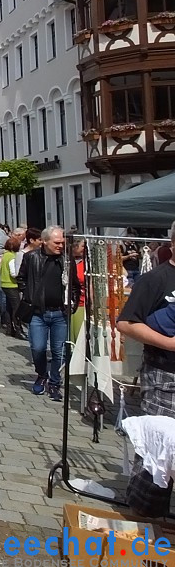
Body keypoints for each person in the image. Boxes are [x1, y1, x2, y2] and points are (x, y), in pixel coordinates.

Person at [117, 221, 175, 516]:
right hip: (165, 375)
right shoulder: (155, 280)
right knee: (156, 447)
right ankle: (143, 517)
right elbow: (126, 323)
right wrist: (168, 343)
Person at [18, 226, 73, 402]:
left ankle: (55, 383)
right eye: (57, 242)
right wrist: (29, 295)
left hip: (60, 313)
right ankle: (42, 374)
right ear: (45, 241)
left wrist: (72, 301)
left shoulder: (66, 259)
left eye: (62, 242)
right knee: (38, 348)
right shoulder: (31, 257)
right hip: (38, 312)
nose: (60, 245)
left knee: (59, 352)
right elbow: (21, 278)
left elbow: (75, 285)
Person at [0, 236, 24, 339]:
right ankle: (18, 329)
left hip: (4, 283)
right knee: (16, 308)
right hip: (12, 284)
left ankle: (10, 329)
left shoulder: (5, 255)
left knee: (9, 308)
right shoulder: (12, 257)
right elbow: (14, 273)